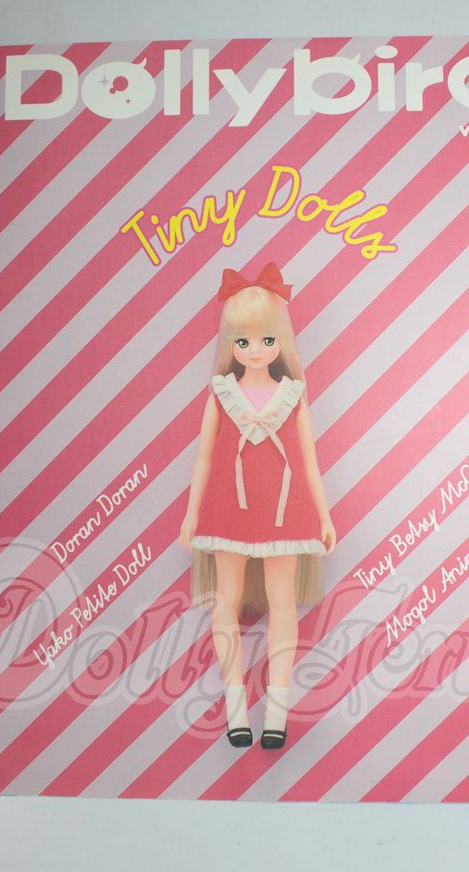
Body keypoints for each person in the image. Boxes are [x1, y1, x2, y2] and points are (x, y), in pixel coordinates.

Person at [179, 261, 336, 750]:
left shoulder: (293, 395)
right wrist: (191, 513)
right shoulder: (221, 393)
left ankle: (277, 712)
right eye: (243, 341)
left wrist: (324, 514)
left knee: (282, 600)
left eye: (266, 340)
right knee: (226, 599)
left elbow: (309, 461)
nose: (254, 350)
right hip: (229, 507)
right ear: (231, 344)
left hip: (284, 509)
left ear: (279, 341)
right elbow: (205, 459)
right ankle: (235, 709)